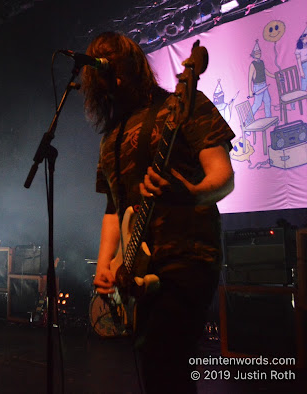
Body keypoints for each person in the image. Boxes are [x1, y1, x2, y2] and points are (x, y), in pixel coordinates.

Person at [82, 32, 235, 393]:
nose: (112, 77)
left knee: (166, 359)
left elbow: (224, 177)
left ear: (132, 67)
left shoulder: (183, 104)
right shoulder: (110, 138)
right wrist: (106, 265)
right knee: (156, 369)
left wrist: (192, 194)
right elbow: (113, 208)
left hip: (187, 255)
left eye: (115, 65)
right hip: (137, 270)